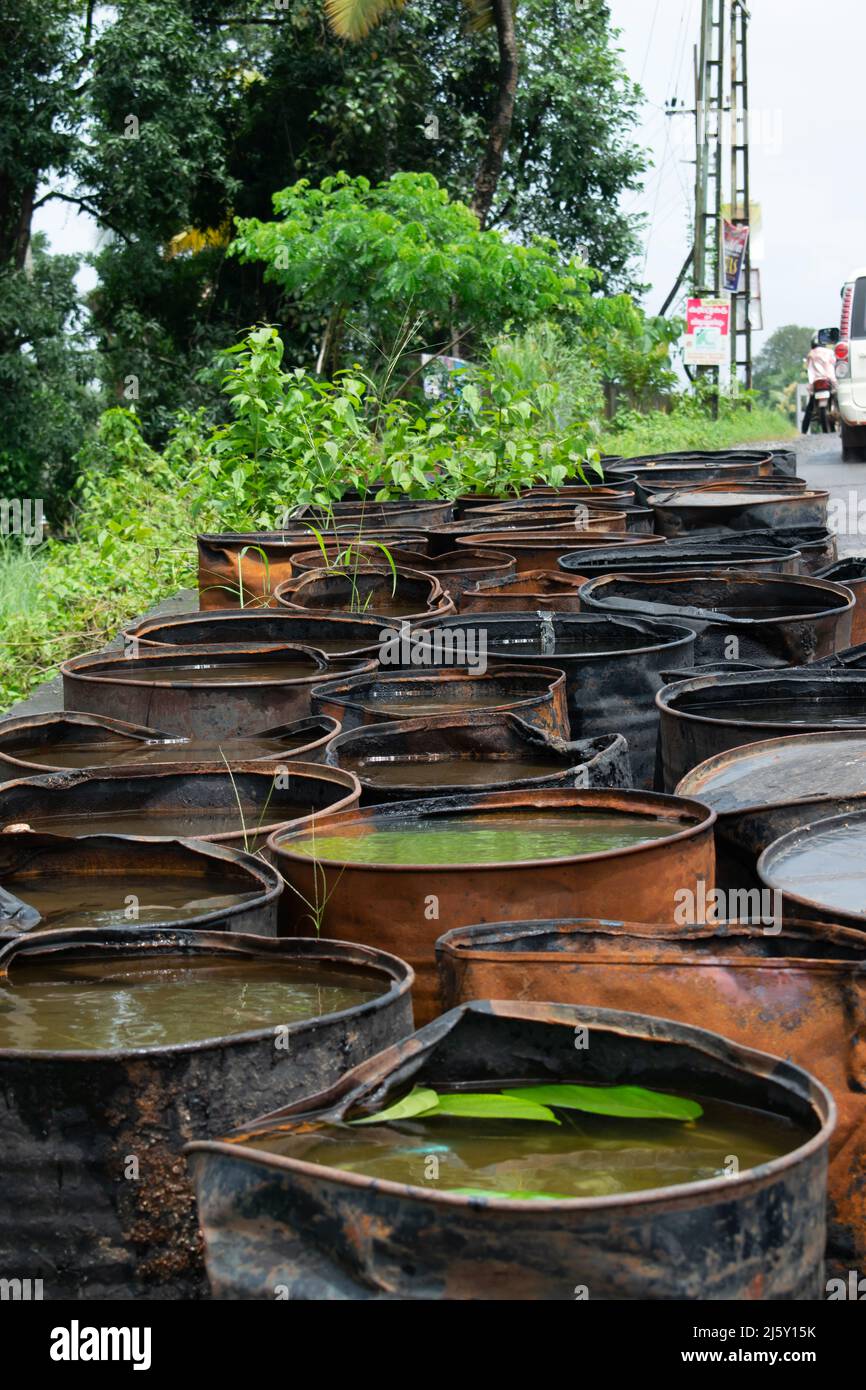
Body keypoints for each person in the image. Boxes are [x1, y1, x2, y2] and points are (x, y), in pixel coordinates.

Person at [802, 332, 838, 433]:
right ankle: (841, 418)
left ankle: (804, 430)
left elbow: (809, 370)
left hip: (816, 382)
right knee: (837, 399)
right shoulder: (829, 352)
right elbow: (833, 366)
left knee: (810, 407)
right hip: (829, 380)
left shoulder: (811, 354)